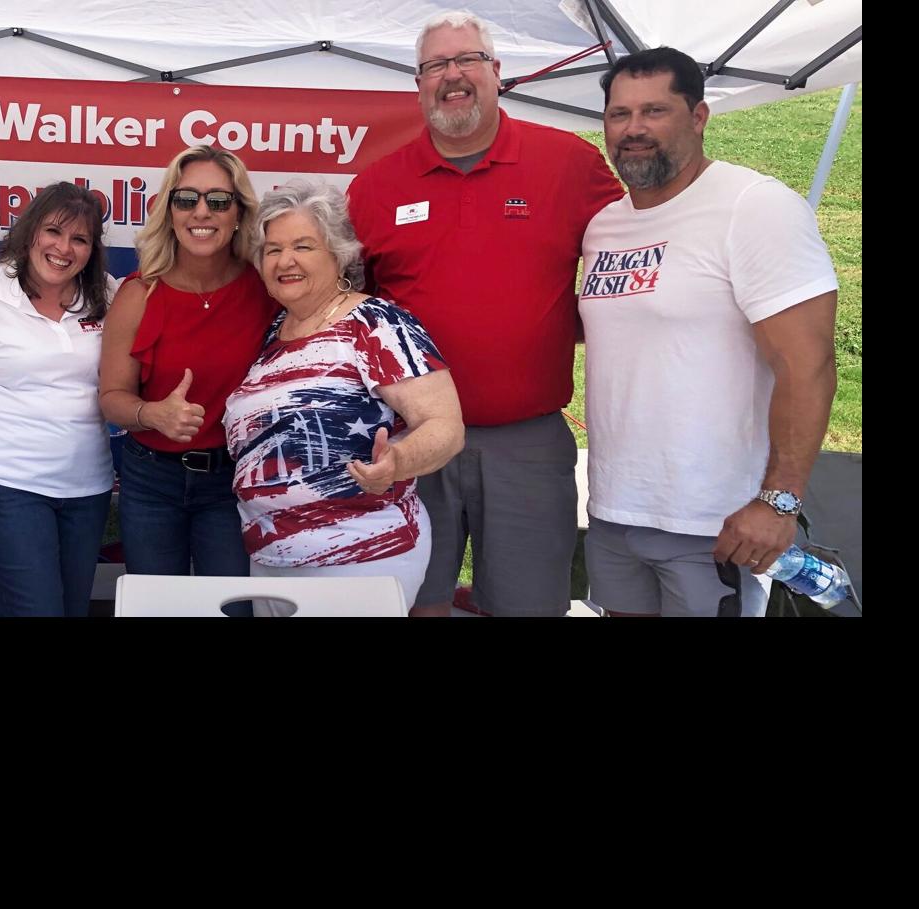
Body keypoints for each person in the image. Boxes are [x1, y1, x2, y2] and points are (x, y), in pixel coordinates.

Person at [346, 10, 623, 617]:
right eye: (436, 65)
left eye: (467, 60)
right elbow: (353, 311)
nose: (453, 76)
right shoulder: (374, 187)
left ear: (498, 73)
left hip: (526, 438)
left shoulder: (569, 164)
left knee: (528, 604)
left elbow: (630, 259)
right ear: (418, 83)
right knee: (411, 602)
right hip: (412, 439)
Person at [579, 47, 839, 617]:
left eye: (655, 111)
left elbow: (808, 364)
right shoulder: (605, 225)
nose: (634, 129)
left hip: (716, 522)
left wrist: (778, 500)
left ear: (698, 116)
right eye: (619, 115)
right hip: (615, 510)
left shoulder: (753, 206)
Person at [223, 179, 463, 606]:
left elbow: (444, 426)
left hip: (361, 556)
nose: (286, 260)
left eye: (303, 246)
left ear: (338, 254)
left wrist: (398, 462)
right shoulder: (275, 332)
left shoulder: (375, 323)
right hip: (271, 560)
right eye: (273, 250)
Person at [0, 182, 119, 616]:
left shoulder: (106, 294)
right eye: (53, 232)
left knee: (72, 609)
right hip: (6, 483)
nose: (63, 248)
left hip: (86, 487)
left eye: (80, 239)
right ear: (31, 231)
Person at [98, 145, 276, 578]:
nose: (201, 212)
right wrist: (151, 413)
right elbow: (111, 398)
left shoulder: (266, 289)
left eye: (218, 200)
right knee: (158, 606)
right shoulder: (139, 295)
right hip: (151, 480)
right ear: (169, 210)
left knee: (232, 607)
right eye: (186, 199)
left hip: (233, 479)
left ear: (238, 213)